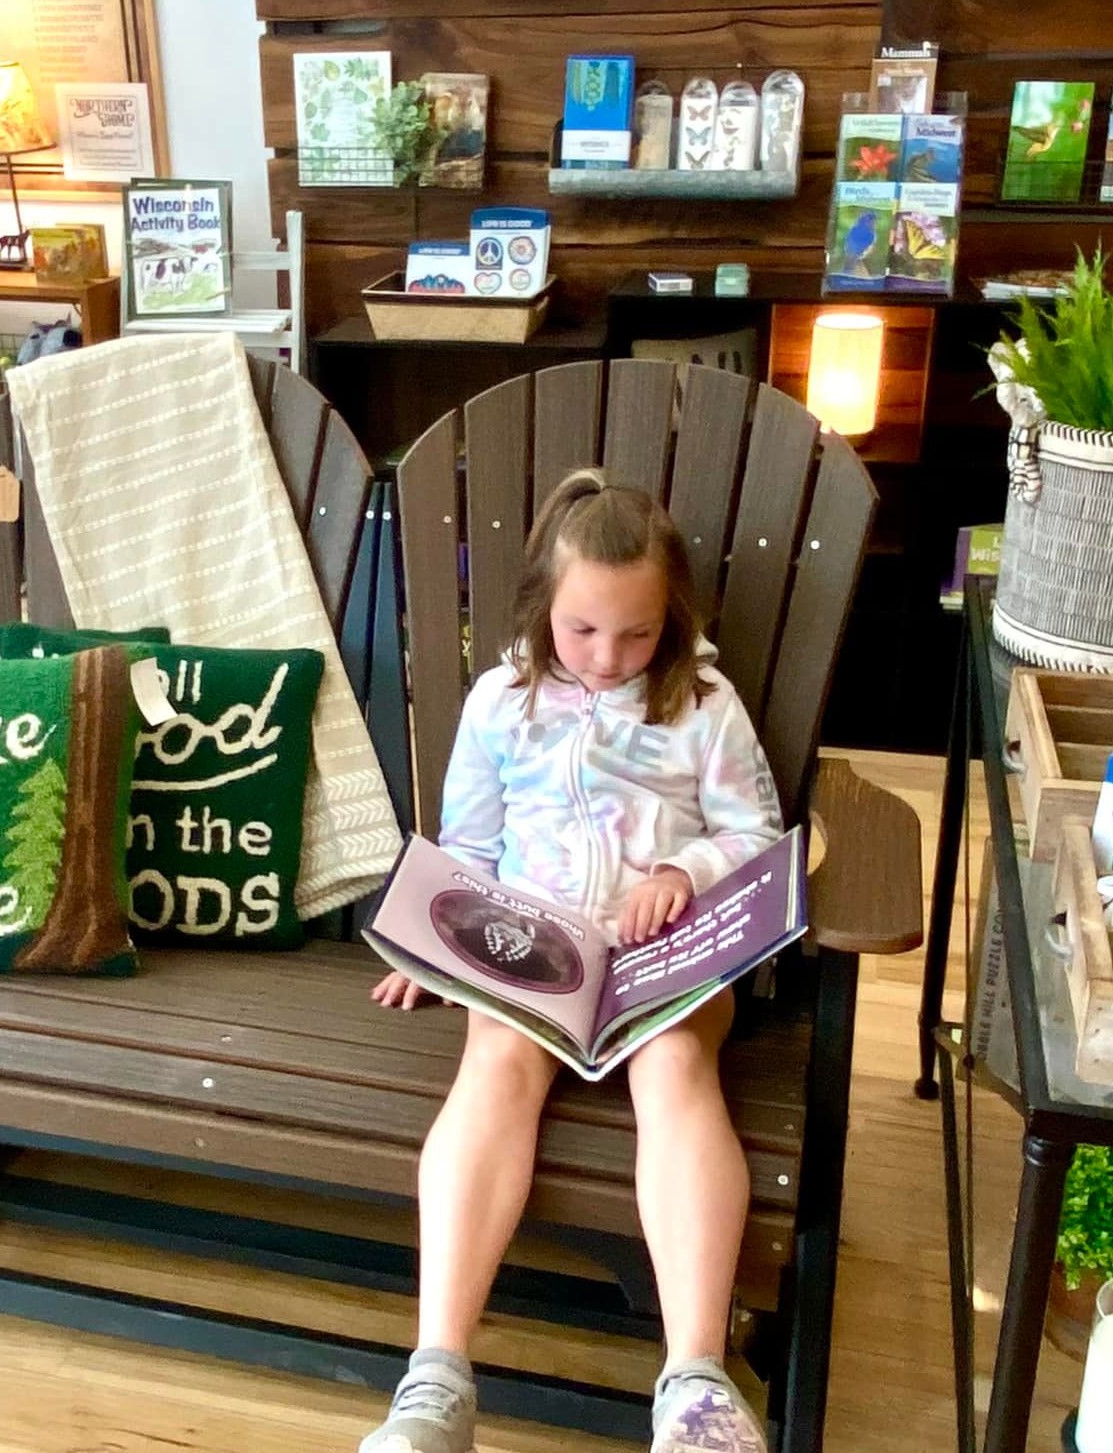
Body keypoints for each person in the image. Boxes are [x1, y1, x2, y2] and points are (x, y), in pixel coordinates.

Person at [364, 468, 785, 1453]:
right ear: (540, 608)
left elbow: (755, 834)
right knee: (494, 1065)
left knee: (675, 1068)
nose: (606, 656)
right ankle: (434, 1382)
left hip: (665, 955)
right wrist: (435, 949)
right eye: (581, 629)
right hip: (531, 949)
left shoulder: (702, 703)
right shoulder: (500, 702)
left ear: (671, 619)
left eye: (636, 633)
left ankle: (696, 1384)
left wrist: (682, 871)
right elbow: (468, 849)